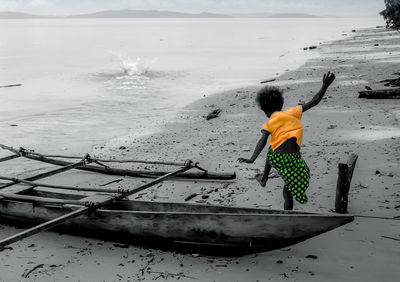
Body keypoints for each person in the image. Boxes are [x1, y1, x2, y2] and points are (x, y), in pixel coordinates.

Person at [238, 72, 336, 210]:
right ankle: (286, 192)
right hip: (294, 159)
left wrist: (252, 159)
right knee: (291, 185)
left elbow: (262, 142)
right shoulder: (292, 112)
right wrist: (325, 85)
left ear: (265, 111)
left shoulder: (269, 123)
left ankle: (265, 179)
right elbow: (315, 100)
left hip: (279, 159)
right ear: (280, 105)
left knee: (272, 150)